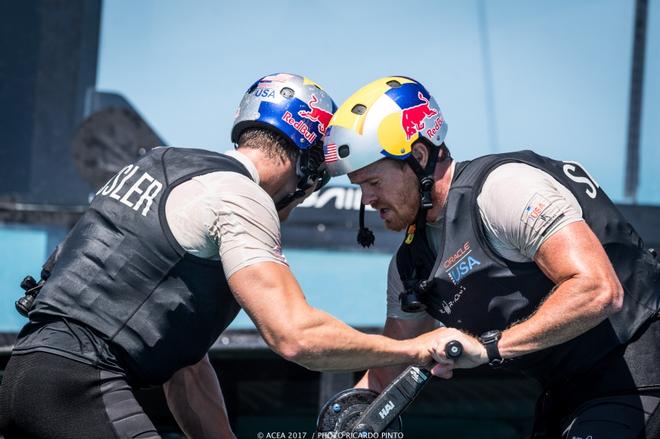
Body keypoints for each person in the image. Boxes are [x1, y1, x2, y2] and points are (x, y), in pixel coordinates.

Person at [0, 73, 449, 439]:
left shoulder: (162, 163)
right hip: (80, 386)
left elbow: (186, 367)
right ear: (309, 169)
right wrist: (411, 348)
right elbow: (294, 335)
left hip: (21, 376)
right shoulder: (240, 196)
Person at [322, 76, 660, 438]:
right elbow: (393, 362)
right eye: (358, 187)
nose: (366, 200)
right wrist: (348, 418)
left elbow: (597, 289)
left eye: (373, 182)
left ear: (418, 157)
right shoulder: (408, 265)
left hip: (639, 374)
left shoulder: (502, 190)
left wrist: (490, 348)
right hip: (566, 398)